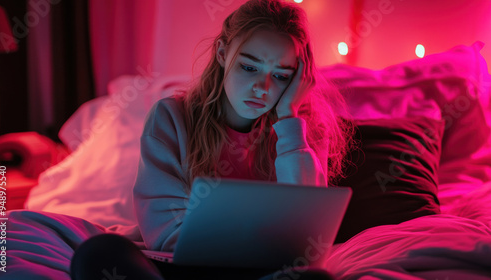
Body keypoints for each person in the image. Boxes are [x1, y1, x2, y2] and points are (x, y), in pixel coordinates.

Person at [70, 0, 353, 279]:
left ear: (297, 80)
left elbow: (308, 233)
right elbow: (164, 232)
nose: (262, 89)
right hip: (186, 266)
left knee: (314, 279)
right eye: (249, 68)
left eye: (280, 76)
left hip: (264, 269)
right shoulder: (171, 117)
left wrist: (289, 119)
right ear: (222, 53)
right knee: (98, 253)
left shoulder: (302, 130)